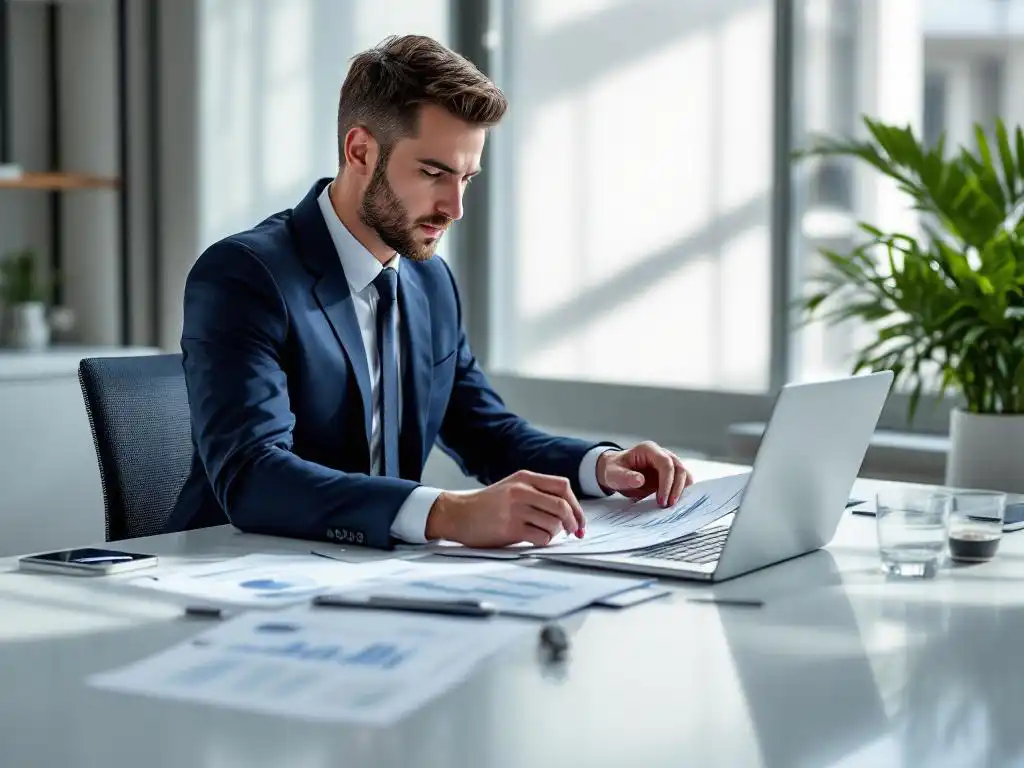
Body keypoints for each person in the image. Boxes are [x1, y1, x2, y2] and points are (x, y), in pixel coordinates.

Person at [166, 34, 694, 550]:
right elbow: (253, 476)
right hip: (233, 575)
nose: (454, 207)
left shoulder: (429, 282)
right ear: (360, 151)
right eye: (433, 172)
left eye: (466, 178)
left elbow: (488, 433)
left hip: (376, 578)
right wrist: (448, 513)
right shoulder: (245, 275)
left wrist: (601, 467)